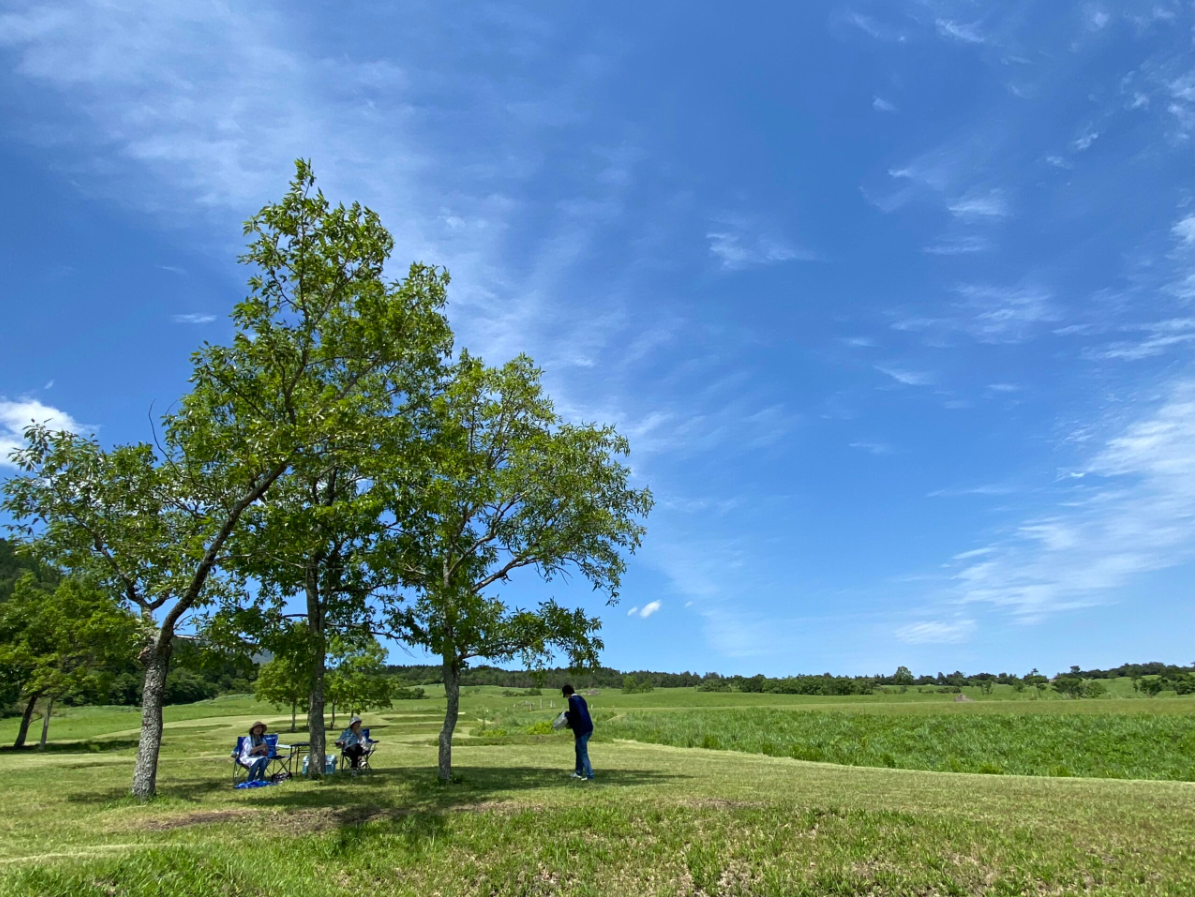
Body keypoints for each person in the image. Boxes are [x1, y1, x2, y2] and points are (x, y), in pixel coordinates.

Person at [561, 684, 594, 780]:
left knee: (583, 753)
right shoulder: (580, 698)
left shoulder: (571, 700)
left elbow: (574, 715)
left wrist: (567, 720)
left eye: (565, 694)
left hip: (581, 729)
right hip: (589, 727)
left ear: (567, 692)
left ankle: (590, 775)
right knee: (578, 750)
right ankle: (578, 772)